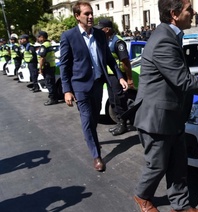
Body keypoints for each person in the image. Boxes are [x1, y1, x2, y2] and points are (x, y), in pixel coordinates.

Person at [132, 0, 198, 211]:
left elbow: (179, 77)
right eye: (189, 9)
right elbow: (183, 81)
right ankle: (142, 196)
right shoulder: (163, 40)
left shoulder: (171, 36)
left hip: (173, 115)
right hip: (157, 118)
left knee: (179, 166)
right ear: (174, 14)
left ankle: (181, 206)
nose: (194, 12)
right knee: (157, 165)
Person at [59, 1, 128, 172]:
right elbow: (64, 65)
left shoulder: (99, 34)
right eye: (86, 14)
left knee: (94, 119)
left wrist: (120, 76)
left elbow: (109, 59)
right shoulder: (68, 36)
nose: (90, 17)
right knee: (87, 118)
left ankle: (91, 137)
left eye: (91, 13)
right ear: (77, 16)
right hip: (80, 86)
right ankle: (97, 155)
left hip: (98, 84)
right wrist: (67, 90)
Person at [94, 18, 134, 136]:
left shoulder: (118, 42)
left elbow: (125, 61)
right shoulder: (106, 40)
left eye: (101, 28)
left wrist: (129, 78)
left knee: (119, 100)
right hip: (110, 75)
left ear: (107, 29)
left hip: (118, 75)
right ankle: (119, 122)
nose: (99, 31)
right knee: (112, 100)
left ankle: (123, 124)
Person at [37, 31, 59, 105]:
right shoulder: (49, 44)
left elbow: (42, 58)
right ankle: (55, 98)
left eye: (39, 37)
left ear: (42, 37)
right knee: (52, 83)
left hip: (47, 67)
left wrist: (40, 69)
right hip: (51, 66)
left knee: (49, 83)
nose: (38, 38)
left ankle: (52, 99)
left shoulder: (44, 45)